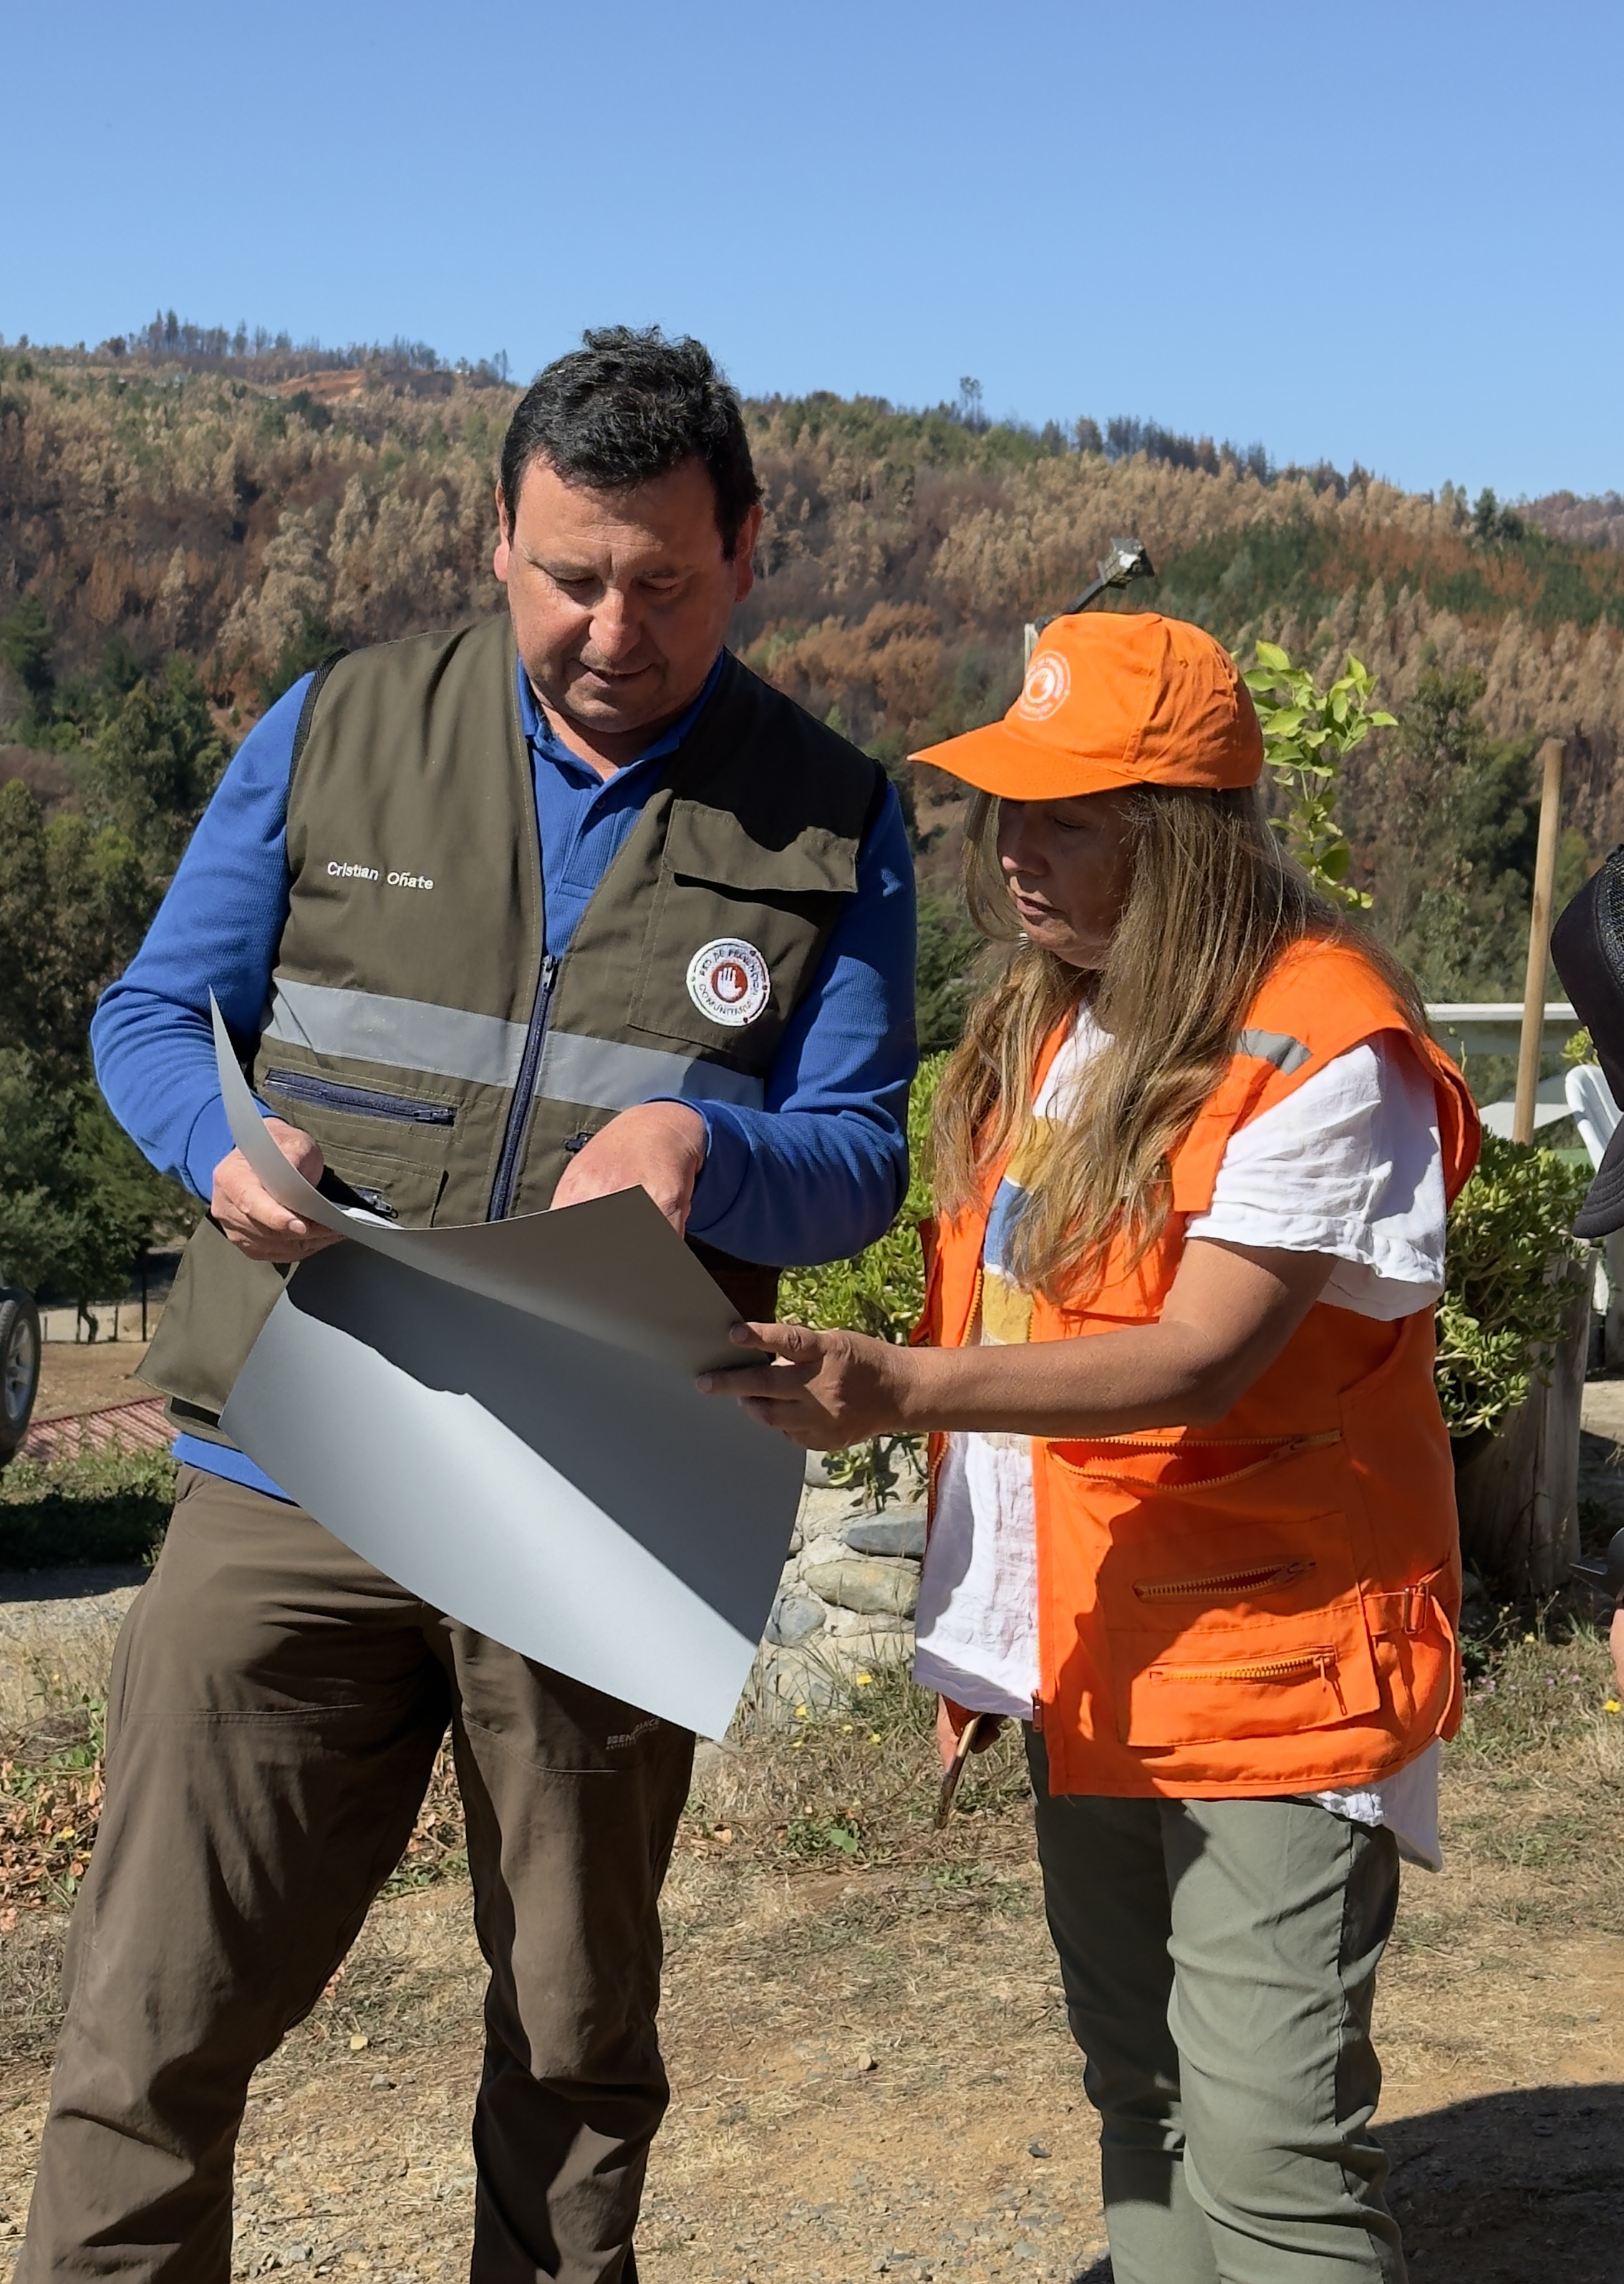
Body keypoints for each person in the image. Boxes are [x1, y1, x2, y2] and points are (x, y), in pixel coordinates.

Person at [21, 329, 917, 2284]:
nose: (611, 629)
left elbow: (860, 1152)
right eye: (568, 575)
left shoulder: (833, 815)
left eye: (661, 581)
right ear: (492, 539)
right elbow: (155, 1013)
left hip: (606, 1491)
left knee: (576, 2045)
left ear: (746, 548)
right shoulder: (334, 727)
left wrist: (707, 1150)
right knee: (147, 2024)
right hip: (296, 1454)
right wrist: (219, 1147)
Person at [705, 609, 1479, 2284]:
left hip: (1271, 1671)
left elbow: (1200, 1356)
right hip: (1091, 1642)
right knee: (1142, 2092)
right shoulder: (1054, 1021)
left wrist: (896, 1389)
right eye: (1009, 807)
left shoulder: (1325, 1041)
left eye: (1065, 816)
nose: (1014, 849)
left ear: (1183, 833)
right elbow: (1029, 1315)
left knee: (1271, 2156)